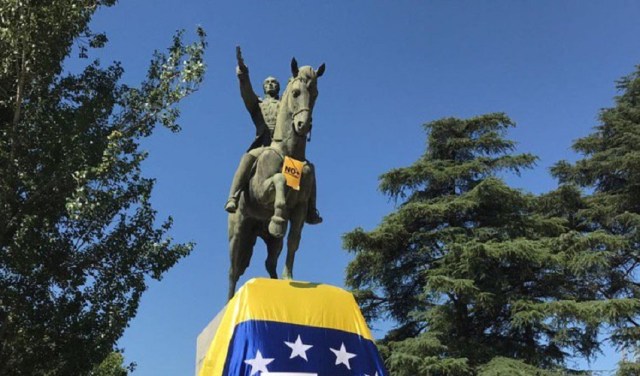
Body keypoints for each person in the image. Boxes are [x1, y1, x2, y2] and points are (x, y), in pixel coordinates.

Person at [225, 49, 322, 225]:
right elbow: (246, 92)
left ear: (279, 87)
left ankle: (310, 209)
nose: (270, 84)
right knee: (247, 158)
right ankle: (233, 196)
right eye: (267, 83)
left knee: (308, 169)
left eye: (274, 82)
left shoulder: (288, 102)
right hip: (265, 146)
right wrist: (243, 73)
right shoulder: (259, 105)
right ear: (263, 87)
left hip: (287, 149)